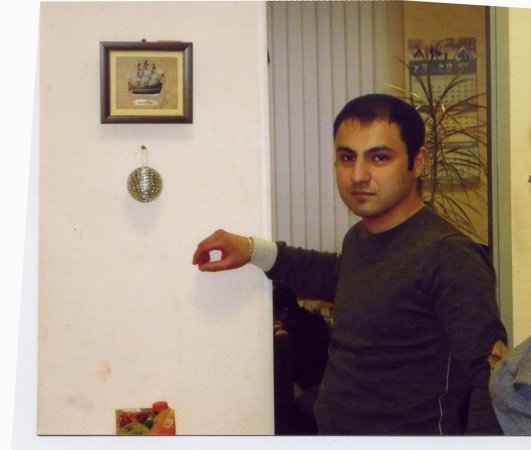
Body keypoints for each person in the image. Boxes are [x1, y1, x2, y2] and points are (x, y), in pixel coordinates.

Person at [192, 93, 507, 435]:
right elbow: (336, 276)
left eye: (379, 158)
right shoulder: (360, 237)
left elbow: (490, 375)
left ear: (417, 163)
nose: (358, 175)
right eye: (346, 157)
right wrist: (252, 250)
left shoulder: (448, 255)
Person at [272, 283, 330, 434]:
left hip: (311, 397)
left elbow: (306, 380)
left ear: (284, 313)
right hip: (320, 393)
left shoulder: (302, 331)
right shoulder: (316, 321)